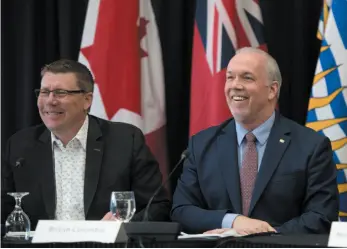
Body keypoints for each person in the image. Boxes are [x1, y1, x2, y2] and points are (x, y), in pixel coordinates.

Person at [171, 47, 339, 235]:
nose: (235, 85)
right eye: (230, 77)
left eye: (247, 77)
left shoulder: (311, 146)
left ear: (272, 90)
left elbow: (321, 216)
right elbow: (182, 210)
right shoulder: (201, 144)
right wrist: (233, 221)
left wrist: (265, 237)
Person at [1, 59, 170, 229]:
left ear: (87, 100)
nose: (50, 101)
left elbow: (157, 206)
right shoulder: (20, 145)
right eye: (44, 92)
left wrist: (119, 227)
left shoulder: (125, 140)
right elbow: (4, 209)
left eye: (60, 93)